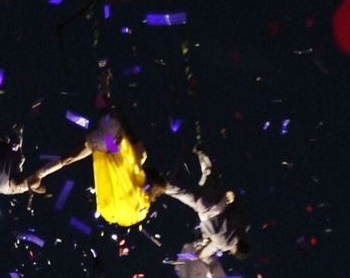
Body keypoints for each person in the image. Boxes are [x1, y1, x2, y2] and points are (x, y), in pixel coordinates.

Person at [28, 69, 153, 226]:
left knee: (99, 112)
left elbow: (132, 136)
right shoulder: (133, 170)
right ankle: (40, 173)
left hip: (112, 138)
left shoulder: (139, 162)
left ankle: (103, 79)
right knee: (71, 155)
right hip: (109, 141)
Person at [156, 147, 249, 258]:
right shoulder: (224, 245)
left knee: (210, 173)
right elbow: (209, 249)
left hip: (217, 199)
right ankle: (156, 184)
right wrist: (200, 254)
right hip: (205, 210)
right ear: (235, 251)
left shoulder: (241, 228)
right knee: (180, 193)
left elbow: (237, 211)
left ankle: (200, 152)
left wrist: (229, 199)